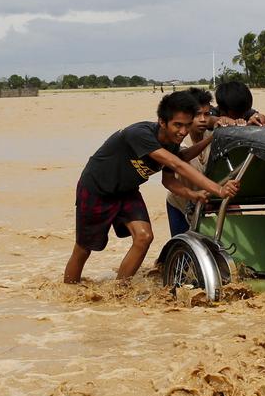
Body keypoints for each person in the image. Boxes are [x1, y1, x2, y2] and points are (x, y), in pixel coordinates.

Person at [63, 90, 240, 284]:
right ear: (162, 122)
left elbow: (169, 179)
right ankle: (69, 291)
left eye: (187, 126)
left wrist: (191, 193)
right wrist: (219, 190)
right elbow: (177, 164)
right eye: (178, 125)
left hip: (127, 191)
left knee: (144, 237)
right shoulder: (140, 134)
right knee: (84, 247)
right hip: (98, 188)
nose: (183, 132)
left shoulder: (172, 142)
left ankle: (120, 289)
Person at [165, 88, 214, 236]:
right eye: (198, 114)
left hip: (205, 204)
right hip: (179, 203)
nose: (203, 119)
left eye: (207, 114)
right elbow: (181, 157)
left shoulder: (212, 134)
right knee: (181, 246)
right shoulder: (179, 140)